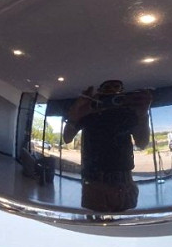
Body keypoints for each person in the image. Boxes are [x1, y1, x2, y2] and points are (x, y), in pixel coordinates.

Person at [62, 80, 151, 212]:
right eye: (107, 87)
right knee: (94, 223)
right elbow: (67, 138)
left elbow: (142, 143)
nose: (112, 90)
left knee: (126, 222)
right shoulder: (89, 111)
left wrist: (143, 115)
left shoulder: (127, 112)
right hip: (94, 182)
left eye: (116, 87)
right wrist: (75, 114)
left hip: (123, 183)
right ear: (99, 91)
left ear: (122, 92)